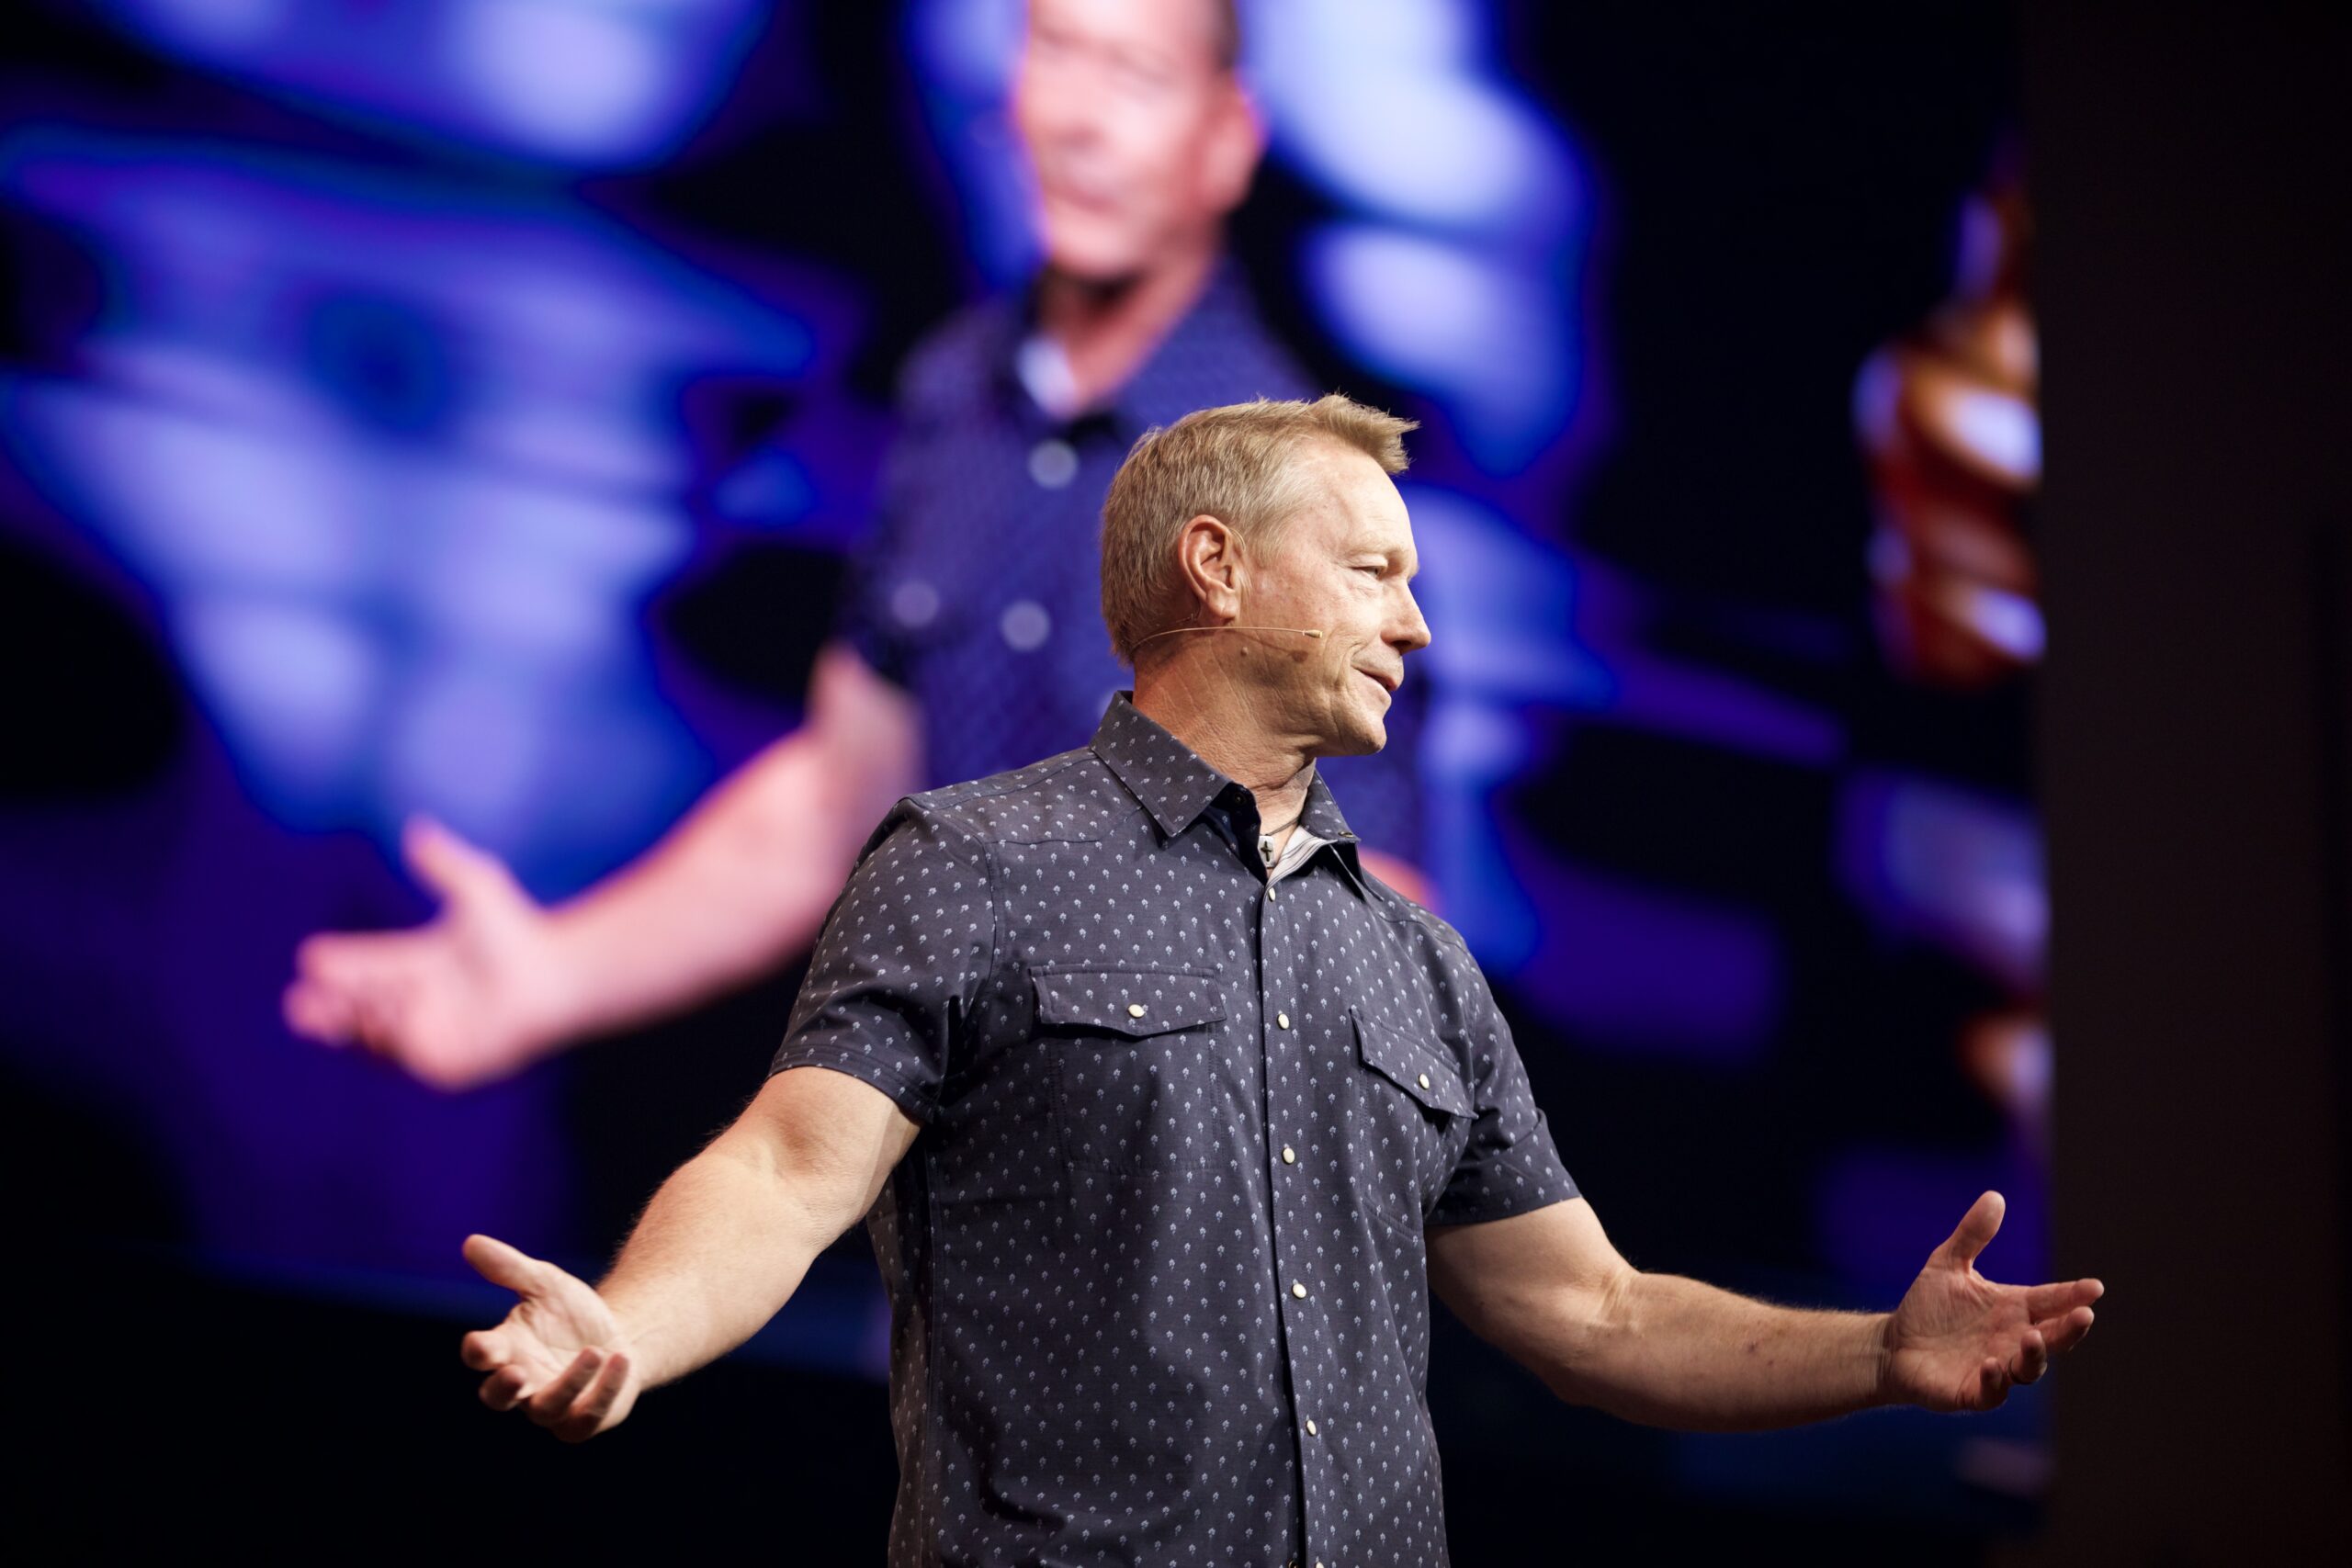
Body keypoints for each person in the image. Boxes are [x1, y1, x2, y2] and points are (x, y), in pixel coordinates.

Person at [458, 396, 2103, 1564]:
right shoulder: (978, 862)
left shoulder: (1414, 960)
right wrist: (631, 1327)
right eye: (1375, 571)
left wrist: (1880, 1353)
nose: (1419, 627)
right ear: (1219, 566)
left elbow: (1594, 1312)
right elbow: (786, 1168)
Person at [281, 0, 1426, 1090]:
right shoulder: (954, 399)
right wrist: (549, 976)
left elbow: (1372, 923)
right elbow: (840, 797)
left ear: (1225, 139)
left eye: (1136, 76)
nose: (1082, 115)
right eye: (1058, 51)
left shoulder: (1302, 484)